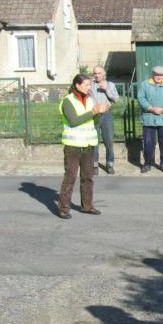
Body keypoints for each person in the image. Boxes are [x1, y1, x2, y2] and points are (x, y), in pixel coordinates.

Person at [57, 73, 109, 218]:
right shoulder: (68, 101)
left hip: (89, 145)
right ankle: (63, 209)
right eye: (86, 84)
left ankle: (87, 206)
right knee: (70, 178)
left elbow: (94, 121)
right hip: (73, 146)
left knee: (88, 177)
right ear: (77, 85)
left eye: (90, 84)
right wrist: (93, 111)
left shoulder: (90, 100)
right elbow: (74, 121)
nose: (89, 87)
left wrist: (100, 113)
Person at [137, 65, 163, 173]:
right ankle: (147, 164)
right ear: (153, 74)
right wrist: (150, 108)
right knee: (148, 143)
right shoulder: (145, 85)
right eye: (157, 75)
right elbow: (141, 98)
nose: (159, 77)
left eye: (161, 75)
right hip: (149, 118)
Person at [89, 66, 119, 174]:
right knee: (94, 140)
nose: (97, 75)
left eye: (99, 73)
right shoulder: (91, 85)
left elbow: (116, 99)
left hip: (107, 114)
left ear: (104, 74)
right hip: (94, 114)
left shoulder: (110, 85)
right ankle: (94, 165)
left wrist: (106, 89)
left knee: (109, 140)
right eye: (95, 73)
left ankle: (109, 164)